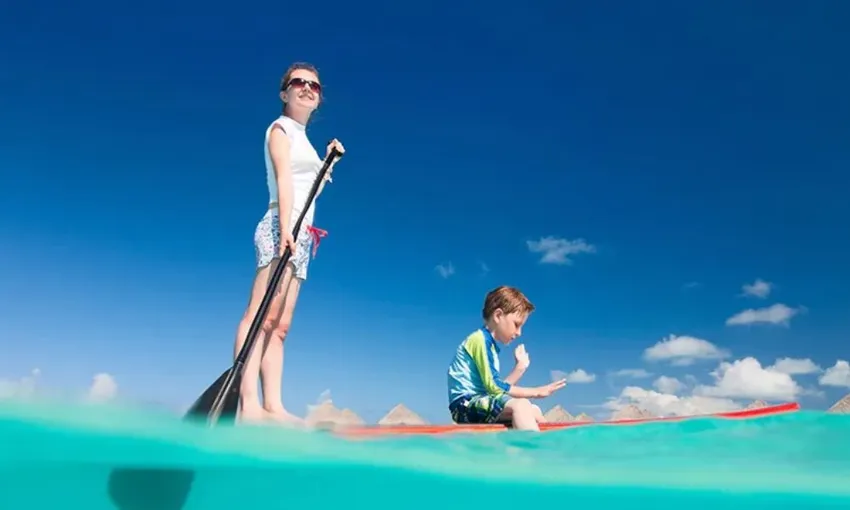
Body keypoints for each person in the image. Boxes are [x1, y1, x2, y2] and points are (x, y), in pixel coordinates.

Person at [234, 62, 344, 424]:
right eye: (299, 83)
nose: (308, 88)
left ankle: (274, 406)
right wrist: (284, 228)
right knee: (260, 316)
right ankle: (247, 402)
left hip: (303, 236)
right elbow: (284, 179)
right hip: (281, 226)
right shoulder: (280, 129)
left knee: (280, 327)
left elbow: (310, 187)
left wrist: (330, 161)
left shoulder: (307, 142)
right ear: (284, 93)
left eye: (314, 85)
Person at [446, 285, 567, 431]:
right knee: (521, 405)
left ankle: (549, 444)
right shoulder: (479, 340)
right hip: (464, 406)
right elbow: (495, 387)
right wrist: (537, 391)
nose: (519, 333)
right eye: (517, 325)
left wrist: (519, 368)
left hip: (479, 402)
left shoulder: (489, 346)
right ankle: (535, 450)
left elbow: (495, 390)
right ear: (498, 316)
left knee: (533, 409)